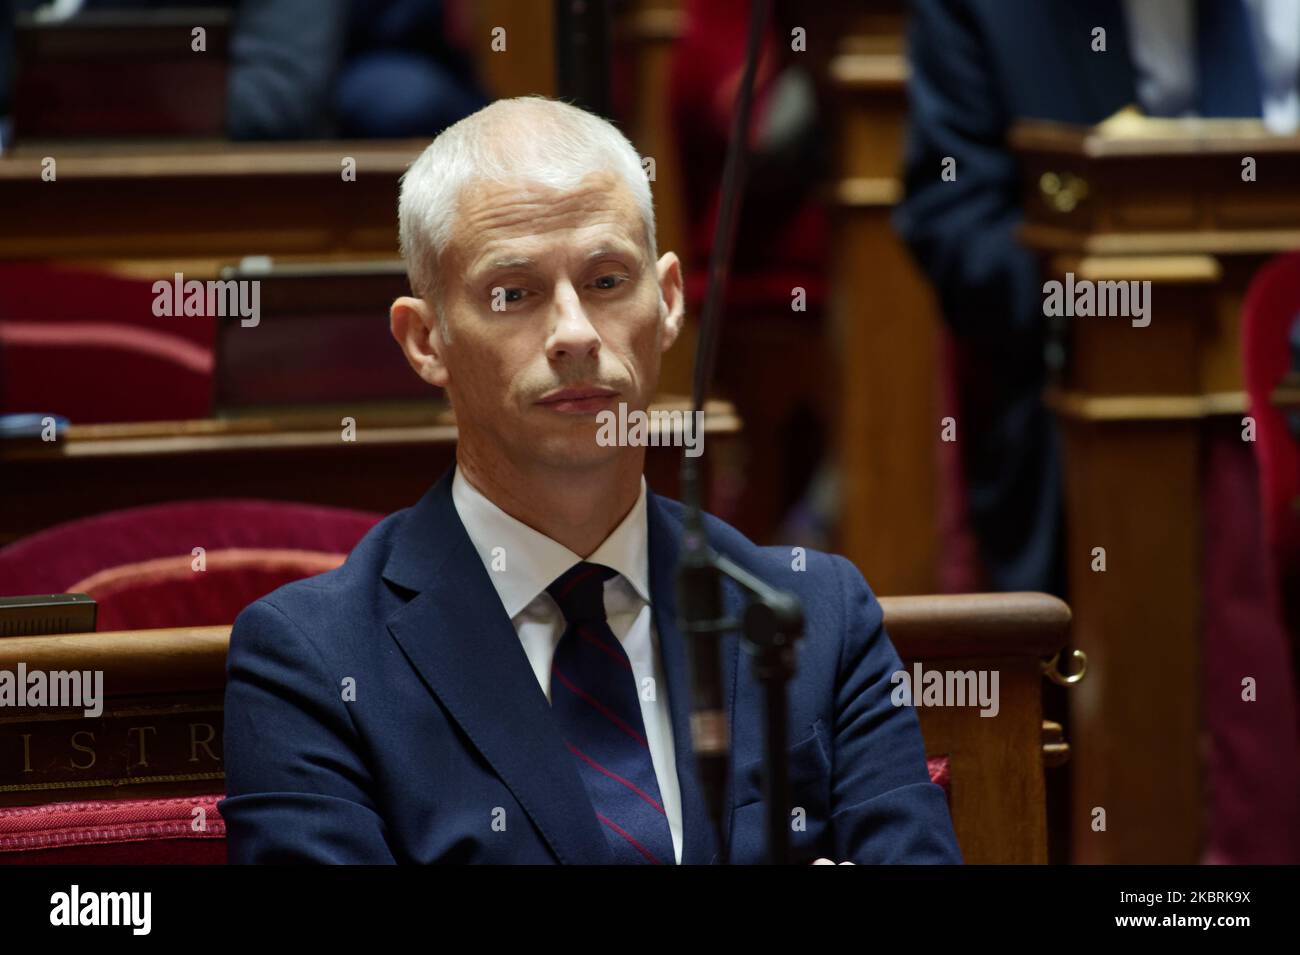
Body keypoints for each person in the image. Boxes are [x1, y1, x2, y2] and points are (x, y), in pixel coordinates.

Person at [219, 96, 961, 865]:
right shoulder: (311, 661)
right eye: (514, 292)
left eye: (607, 281)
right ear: (424, 338)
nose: (574, 332)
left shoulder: (816, 618)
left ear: (668, 302)